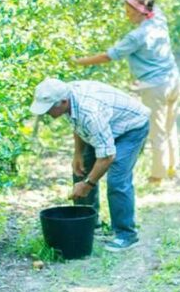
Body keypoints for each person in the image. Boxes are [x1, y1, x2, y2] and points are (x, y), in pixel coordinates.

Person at [30, 78, 150, 252]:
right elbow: (78, 125)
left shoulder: (89, 112)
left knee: (117, 180)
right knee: (81, 169)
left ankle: (126, 234)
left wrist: (88, 184)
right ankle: (89, 223)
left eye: (49, 109)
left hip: (130, 128)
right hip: (106, 127)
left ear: (63, 102)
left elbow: (108, 156)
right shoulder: (68, 99)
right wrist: (77, 154)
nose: (46, 113)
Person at [75, 0, 180, 186]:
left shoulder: (137, 36)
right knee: (170, 125)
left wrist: (79, 62)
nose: (126, 14)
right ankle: (172, 167)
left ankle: (157, 176)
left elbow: (109, 56)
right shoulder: (158, 20)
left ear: (139, 11)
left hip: (155, 85)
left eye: (128, 10)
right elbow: (153, 6)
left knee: (156, 130)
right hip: (173, 79)